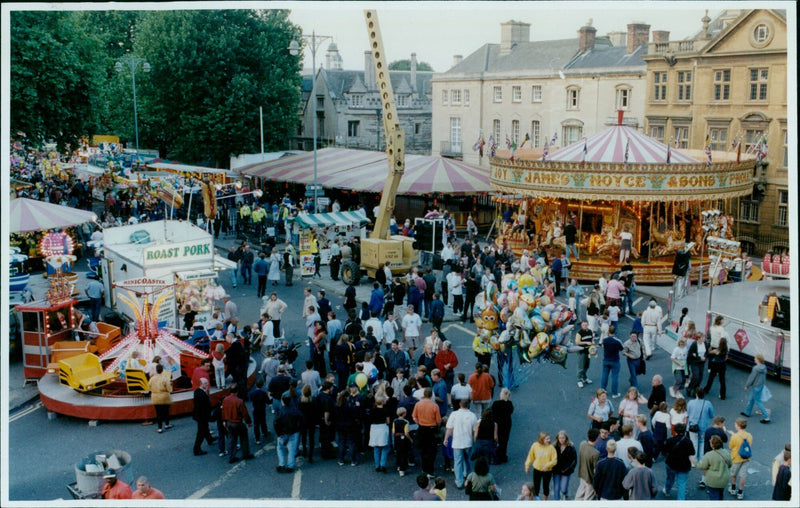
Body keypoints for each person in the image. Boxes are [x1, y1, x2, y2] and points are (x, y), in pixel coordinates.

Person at [445, 398, 478, 488]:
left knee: (457, 462)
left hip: (457, 442)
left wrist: (446, 439)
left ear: (460, 404)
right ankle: (469, 479)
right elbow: (475, 430)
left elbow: (449, 428)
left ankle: (459, 482)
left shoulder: (454, 414)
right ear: (468, 405)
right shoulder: (472, 416)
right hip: (468, 442)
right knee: (468, 461)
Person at [412, 387, 442, 478]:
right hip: (431, 429)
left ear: (423, 395)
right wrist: (438, 427)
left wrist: (419, 423)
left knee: (423, 450)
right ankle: (430, 470)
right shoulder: (434, 406)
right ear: (431, 395)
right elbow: (438, 420)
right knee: (432, 450)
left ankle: (424, 469)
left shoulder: (418, 404)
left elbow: (414, 417)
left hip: (421, 428)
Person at [221, 383, 254, 463]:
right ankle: (245, 454)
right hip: (238, 423)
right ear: (237, 391)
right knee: (244, 438)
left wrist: (224, 420)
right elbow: (245, 413)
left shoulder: (225, 400)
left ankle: (232, 456)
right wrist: (249, 422)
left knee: (232, 439)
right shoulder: (239, 401)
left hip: (229, 423)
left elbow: (223, 411)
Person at [662, 423, 694, 499]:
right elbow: (692, 453)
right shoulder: (688, 441)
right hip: (684, 465)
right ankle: (681, 500)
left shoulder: (670, 440)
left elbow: (664, 452)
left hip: (671, 463)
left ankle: (667, 491)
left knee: (670, 478)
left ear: (675, 431)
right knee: (682, 484)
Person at [696, 435, 732, 500]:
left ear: (712, 444)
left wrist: (694, 462)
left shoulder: (709, 455)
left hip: (713, 481)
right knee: (721, 495)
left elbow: (702, 466)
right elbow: (730, 464)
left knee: (714, 496)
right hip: (724, 479)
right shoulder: (726, 453)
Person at [525, 431, 557, 500]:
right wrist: (527, 466)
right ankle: (536, 501)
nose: (549, 440)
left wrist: (547, 465)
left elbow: (554, 460)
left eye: (549, 438)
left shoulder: (551, 448)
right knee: (536, 487)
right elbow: (530, 456)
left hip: (547, 471)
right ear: (541, 439)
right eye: (547, 439)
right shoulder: (535, 445)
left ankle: (544, 502)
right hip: (537, 470)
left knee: (546, 487)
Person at [728, 417, 753, 500]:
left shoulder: (734, 437)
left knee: (733, 474)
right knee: (743, 475)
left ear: (738, 426)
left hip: (736, 458)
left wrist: (733, 435)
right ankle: (740, 492)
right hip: (746, 458)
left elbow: (731, 446)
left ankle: (733, 488)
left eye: (735, 424)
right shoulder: (749, 435)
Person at [741, 353, 771, 423]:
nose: (754, 359)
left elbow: (751, 378)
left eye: (755, 358)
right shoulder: (764, 367)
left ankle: (766, 417)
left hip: (755, 386)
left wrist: (747, 386)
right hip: (760, 385)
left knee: (758, 401)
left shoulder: (755, 368)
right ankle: (747, 412)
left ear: (758, 360)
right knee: (751, 399)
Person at [687, 388, 715, 461]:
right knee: (702, 442)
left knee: (694, 442)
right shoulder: (708, 403)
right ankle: (701, 459)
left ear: (696, 394)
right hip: (704, 427)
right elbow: (712, 415)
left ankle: (694, 460)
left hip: (692, 426)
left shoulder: (690, 402)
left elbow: (687, 413)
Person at [575, 428, 600, 500]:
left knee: (579, 495)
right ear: (597, 438)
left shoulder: (582, 444)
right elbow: (595, 470)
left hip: (582, 475)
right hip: (590, 479)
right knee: (588, 498)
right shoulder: (595, 453)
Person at [192, 377, 216, 456]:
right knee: (201, 432)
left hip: (199, 415)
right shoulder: (202, 394)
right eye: (205, 383)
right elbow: (205, 406)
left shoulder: (197, 391)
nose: (207, 384)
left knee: (205, 428)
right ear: (201, 384)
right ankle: (197, 449)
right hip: (202, 416)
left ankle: (210, 439)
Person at [551, 430, 577, 501]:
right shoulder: (554, 447)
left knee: (563, 488)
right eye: (560, 438)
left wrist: (570, 469)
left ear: (566, 438)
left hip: (566, 471)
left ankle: (565, 493)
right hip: (556, 470)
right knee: (556, 488)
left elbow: (574, 460)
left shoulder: (571, 447)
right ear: (557, 438)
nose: (561, 440)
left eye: (563, 438)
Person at [369, 394, 392, 472]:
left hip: (374, 428)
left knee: (376, 448)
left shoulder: (373, 410)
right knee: (385, 447)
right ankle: (383, 464)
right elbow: (388, 421)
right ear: (382, 401)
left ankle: (377, 465)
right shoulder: (386, 410)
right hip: (383, 428)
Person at [491, 388, 514, 464]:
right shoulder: (509, 404)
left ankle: (497, 456)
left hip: (498, 423)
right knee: (505, 439)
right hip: (507, 423)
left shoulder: (496, 403)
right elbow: (511, 412)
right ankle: (503, 455)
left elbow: (493, 413)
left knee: (498, 439)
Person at [600, 326, 623, 398]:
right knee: (614, 377)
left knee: (604, 375)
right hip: (615, 360)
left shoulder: (604, 340)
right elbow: (622, 348)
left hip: (606, 359)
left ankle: (602, 390)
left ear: (608, 331)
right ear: (614, 332)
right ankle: (614, 393)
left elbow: (603, 346)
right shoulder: (617, 341)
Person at [149, 364, 173, 433]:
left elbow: (149, 387)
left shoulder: (152, 379)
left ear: (156, 370)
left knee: (158, 413)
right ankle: (167, 424)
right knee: (166, 412)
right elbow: (169, 389)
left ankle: (159, 428)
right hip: (165, 397)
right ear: (162, 370)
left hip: (155, 397)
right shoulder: (165, 378)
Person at [685, 331, 707, 397]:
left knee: (700, 377)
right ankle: (689, 388)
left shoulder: (705, 343)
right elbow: (691, 355)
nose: (704, 339)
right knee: (696, 376)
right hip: (695, 363)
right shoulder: (694, 344)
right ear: (699, 338)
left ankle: (696, 391)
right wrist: (699, 358)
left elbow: (706, 352)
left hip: (701, 363)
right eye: (703, 337)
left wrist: (704, 357)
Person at [249, 379, 270, 446]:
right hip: (262, 409)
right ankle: (264, 432)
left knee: (256, 424)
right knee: (263, 421)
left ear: (256, 385)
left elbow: (251, 399)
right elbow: (268, 401)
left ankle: (257, 439)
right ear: (262, 385)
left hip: (256, 410)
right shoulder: (263, 393)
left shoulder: (252, 393)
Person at [575, 320, 594, 389]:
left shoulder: (590, 331)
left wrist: (592, 343)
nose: (585, 326)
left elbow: (592, 339)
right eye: (583, 325)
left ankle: (584, 378)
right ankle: (579, 380)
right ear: (581, 325)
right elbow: (577, 342)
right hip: (581, 351)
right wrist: (586, 343)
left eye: (586, 325)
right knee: (581, 367)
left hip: (588, 351)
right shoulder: (579, 333)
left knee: (586, 365)